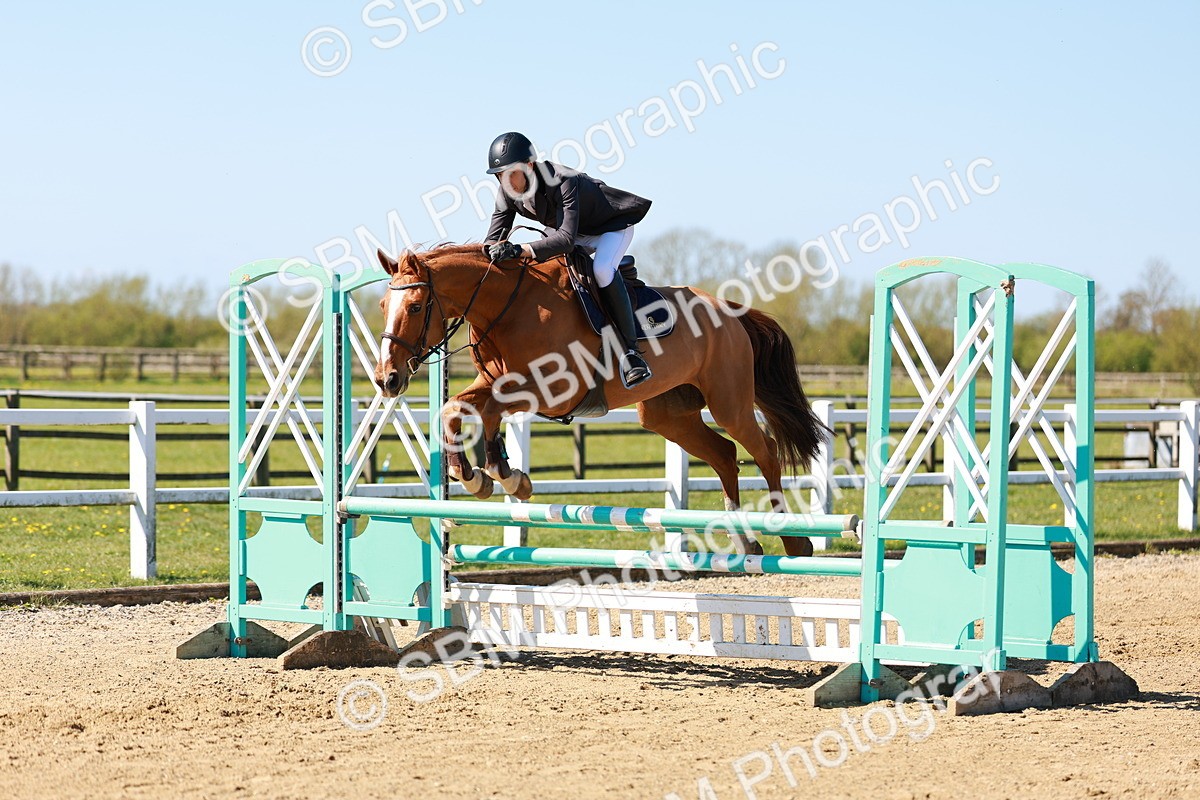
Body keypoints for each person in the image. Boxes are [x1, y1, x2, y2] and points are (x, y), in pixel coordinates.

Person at [482, 131, 653, 389]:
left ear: (529, 166)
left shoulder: (562, 178)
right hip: (571, 232)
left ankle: (632, 353)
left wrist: (518, 249)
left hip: (608, 229)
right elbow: (491, 242)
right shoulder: (507, 193)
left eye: (509, 174)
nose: (504, 181)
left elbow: (565, 240)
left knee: (603, 270)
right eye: (498, 176)